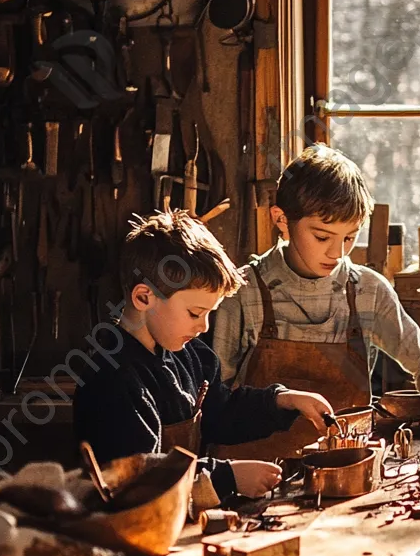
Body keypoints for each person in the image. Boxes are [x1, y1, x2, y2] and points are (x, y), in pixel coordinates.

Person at [212, 144, 420, 458]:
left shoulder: (367, 291)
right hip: (253, 474)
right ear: (282, 220)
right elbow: (218, 402)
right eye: (323, 237)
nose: (337, 253)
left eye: (350, 237)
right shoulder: (242, 292)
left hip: (345, 471)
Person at [73, 210, 334, 503]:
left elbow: (220, 414)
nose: (204, 326)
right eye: (195, 313)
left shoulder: (191, 355)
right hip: (129, 527)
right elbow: (139, 478)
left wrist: (282, 400)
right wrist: (227, 476)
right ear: (144, 297)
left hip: (177, 514)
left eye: (210, 313)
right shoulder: (113, 380)